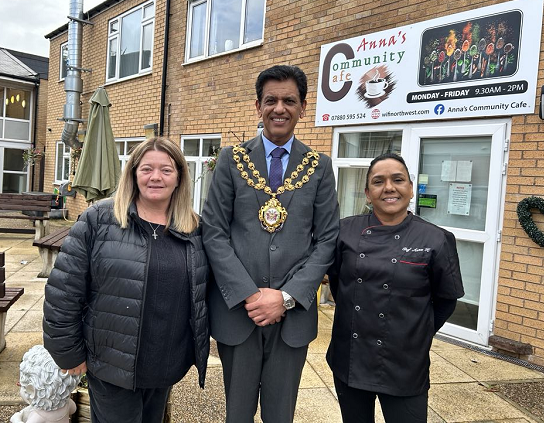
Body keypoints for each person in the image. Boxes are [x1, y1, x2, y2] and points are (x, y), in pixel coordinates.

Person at [202, 64, 340, 422]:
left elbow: (327, 239)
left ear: (302, 108)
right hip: (239, 312)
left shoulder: (320, 166)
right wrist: (252, 295)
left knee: (281, 415)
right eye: (271, 100)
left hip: (292, 315)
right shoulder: (231, 161)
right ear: (258, 106)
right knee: (238, 414)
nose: (280, 108)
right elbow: (214, 232)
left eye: (289, 100)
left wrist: (285, 297)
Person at [43, 137, 210, 423]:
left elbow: (202, 293)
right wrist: (68, 353)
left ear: (180, 177)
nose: (156, 177)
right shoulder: (99, 219)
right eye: (147, 169)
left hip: (165, 364)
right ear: (133, 173)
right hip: (112, 364)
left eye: (166, 170)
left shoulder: (194, 229)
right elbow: (64, 290)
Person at [327, 152, 464, 423]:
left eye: (398, 180)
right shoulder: (345, 231)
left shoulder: (436, 239)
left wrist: (413, 333)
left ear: (410, 189)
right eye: (378, 182)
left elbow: (446, 300)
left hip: (405, 364)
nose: (389, 187)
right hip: (351, 358)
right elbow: (338, 281)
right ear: (368, 193)